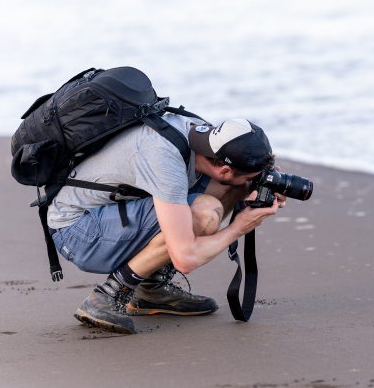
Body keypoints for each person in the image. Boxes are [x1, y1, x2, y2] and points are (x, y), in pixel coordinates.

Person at [47, 116, 283, 334]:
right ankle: (107, 295)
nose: (252, 181)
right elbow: (186, 258)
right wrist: (239, 227)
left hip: (105, 212)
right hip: (79, 232)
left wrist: (257, 187)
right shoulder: (164, 159)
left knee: (233, 187)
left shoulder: (198, 132)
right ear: (224, 169)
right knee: (203, 216)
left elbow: (231, 180)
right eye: (250, 176)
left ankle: (151, 288)